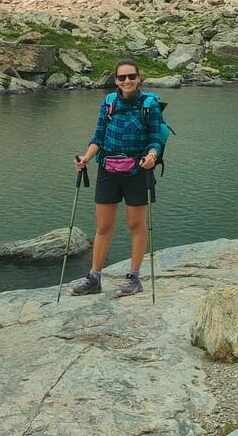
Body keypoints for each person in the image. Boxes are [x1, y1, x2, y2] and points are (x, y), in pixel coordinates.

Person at [69, 58, 163, 296]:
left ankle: (134, 277)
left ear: (138, 78)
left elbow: (154, 138)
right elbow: (98, 136)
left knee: (136, 225)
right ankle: (94, 277)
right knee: (103, 226)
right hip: (108, 169)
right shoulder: (109, 102)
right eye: (122, 78)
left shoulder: (149, 104)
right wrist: (86, 158)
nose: (127, 81)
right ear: (116, 81)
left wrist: (152, 155)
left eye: (131, 76)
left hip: (138, 169)